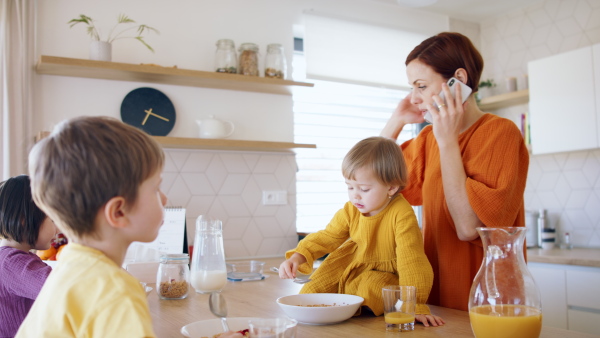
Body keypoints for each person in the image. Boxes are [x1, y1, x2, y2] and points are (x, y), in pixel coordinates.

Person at [16, 116, 243, 338]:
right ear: (118, 212)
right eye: (155, 189)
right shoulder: (113, 289)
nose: (164, 199)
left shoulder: (70, 271)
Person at [380, 32, 529, 312]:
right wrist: (396, 120)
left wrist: (447, 141)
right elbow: (372, 182)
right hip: (435, 297)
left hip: (486, 300)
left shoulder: (501, 134)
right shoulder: (428, 139)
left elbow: (467, 228)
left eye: (421, 86)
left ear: (458, 79)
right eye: (412, 88)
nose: (414, 98)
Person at [278, 136, 443, 326]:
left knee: (370, 287)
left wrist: (414, 306)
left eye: (364, 189)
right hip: (350, 265)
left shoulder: (402, 214)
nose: (355, 195)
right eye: (349, 187)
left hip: (384, 272)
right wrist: (298, 257)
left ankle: (354, 312)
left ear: (391, 187)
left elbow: (412, 261)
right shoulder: (351, 209)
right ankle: (344, 307)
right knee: (312, 289)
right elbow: (328, 236)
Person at [0, 175, 56, 338]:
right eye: (52, 219)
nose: (58, 229)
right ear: (25, 220)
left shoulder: (10, 258)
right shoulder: (12, 263)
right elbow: (60, 288)